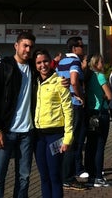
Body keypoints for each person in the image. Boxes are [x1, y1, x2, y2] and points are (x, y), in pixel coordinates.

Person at [0, 31, 36, 198]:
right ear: (16, 46)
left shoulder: (33, 68)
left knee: (24, 177)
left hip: (27, 133)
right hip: (6, 131)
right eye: (25, 45)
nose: (27, 50)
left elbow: (49, 77)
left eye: (30, 46)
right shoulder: (4, 67)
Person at [33, 49, 73, 198]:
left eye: (45, 61)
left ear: (51, 61)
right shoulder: (34, 82)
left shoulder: (60, 82)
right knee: (44, 177)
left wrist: (68, 138)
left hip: (55, 135)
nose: (42, 65)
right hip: (38, 137)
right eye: (38, 62)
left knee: (54, 176)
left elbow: (69, 111)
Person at [57, 36, 88, 190]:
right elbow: (74, 81)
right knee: (73, 141)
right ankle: (68, 177)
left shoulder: (61, 61)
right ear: (74, 48)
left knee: (66, 139)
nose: (84, 48)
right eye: (81, 46)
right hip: (74, 105)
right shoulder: (75, 61)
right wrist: (80, 97)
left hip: (64, 104)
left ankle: (63, 173)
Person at [84, 53, 112, 187]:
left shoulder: (88, 77)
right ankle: (98, 176)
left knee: (90, 145)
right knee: (100, 146)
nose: (103, 64)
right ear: (96, 64)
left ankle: (90, 176)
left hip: (90, 112)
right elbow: (109, 95)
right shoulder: (100, 76)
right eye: (101, 62)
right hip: (101, 113)